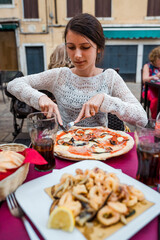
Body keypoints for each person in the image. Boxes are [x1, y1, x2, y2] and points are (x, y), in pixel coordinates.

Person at [7, 13, 147, 128]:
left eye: (85, 47)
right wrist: (40, 98)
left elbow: (142, 118)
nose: (77, 55)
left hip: (101, 149)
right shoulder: (60, 75)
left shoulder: (110, 77)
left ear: (98, 48)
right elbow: (14, 84)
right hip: (66, 148)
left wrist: (107, 101)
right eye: (71, 47)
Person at [142, 46, 160, 119]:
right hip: (148, 90)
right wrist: (155, 76)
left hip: (159, 90)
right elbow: (145, 80)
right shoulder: (148, 66)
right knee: (156, 100)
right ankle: (154, 120)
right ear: (155, 58)